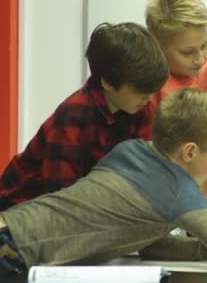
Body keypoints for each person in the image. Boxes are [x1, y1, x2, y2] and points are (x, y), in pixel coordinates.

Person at [0, 89, 207, 276]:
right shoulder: (179, 194)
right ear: (190, 151)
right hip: (14, 253)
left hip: (10, 224)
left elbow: (152, 245)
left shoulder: (131, 150)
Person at [0, 23, 169, 210]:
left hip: (83, 204)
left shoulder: (141, 108)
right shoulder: (73, 116)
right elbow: (59, 195)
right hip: (21, 207)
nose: (149, 97)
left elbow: (148, 170)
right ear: (108, 83)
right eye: (140, 91)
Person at [146, 0, 207, 218]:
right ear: (158, 45)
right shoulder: (147, 80)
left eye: (204, 45)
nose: (200, 58)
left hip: (201, 186)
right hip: (155, 185)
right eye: (188, 52)